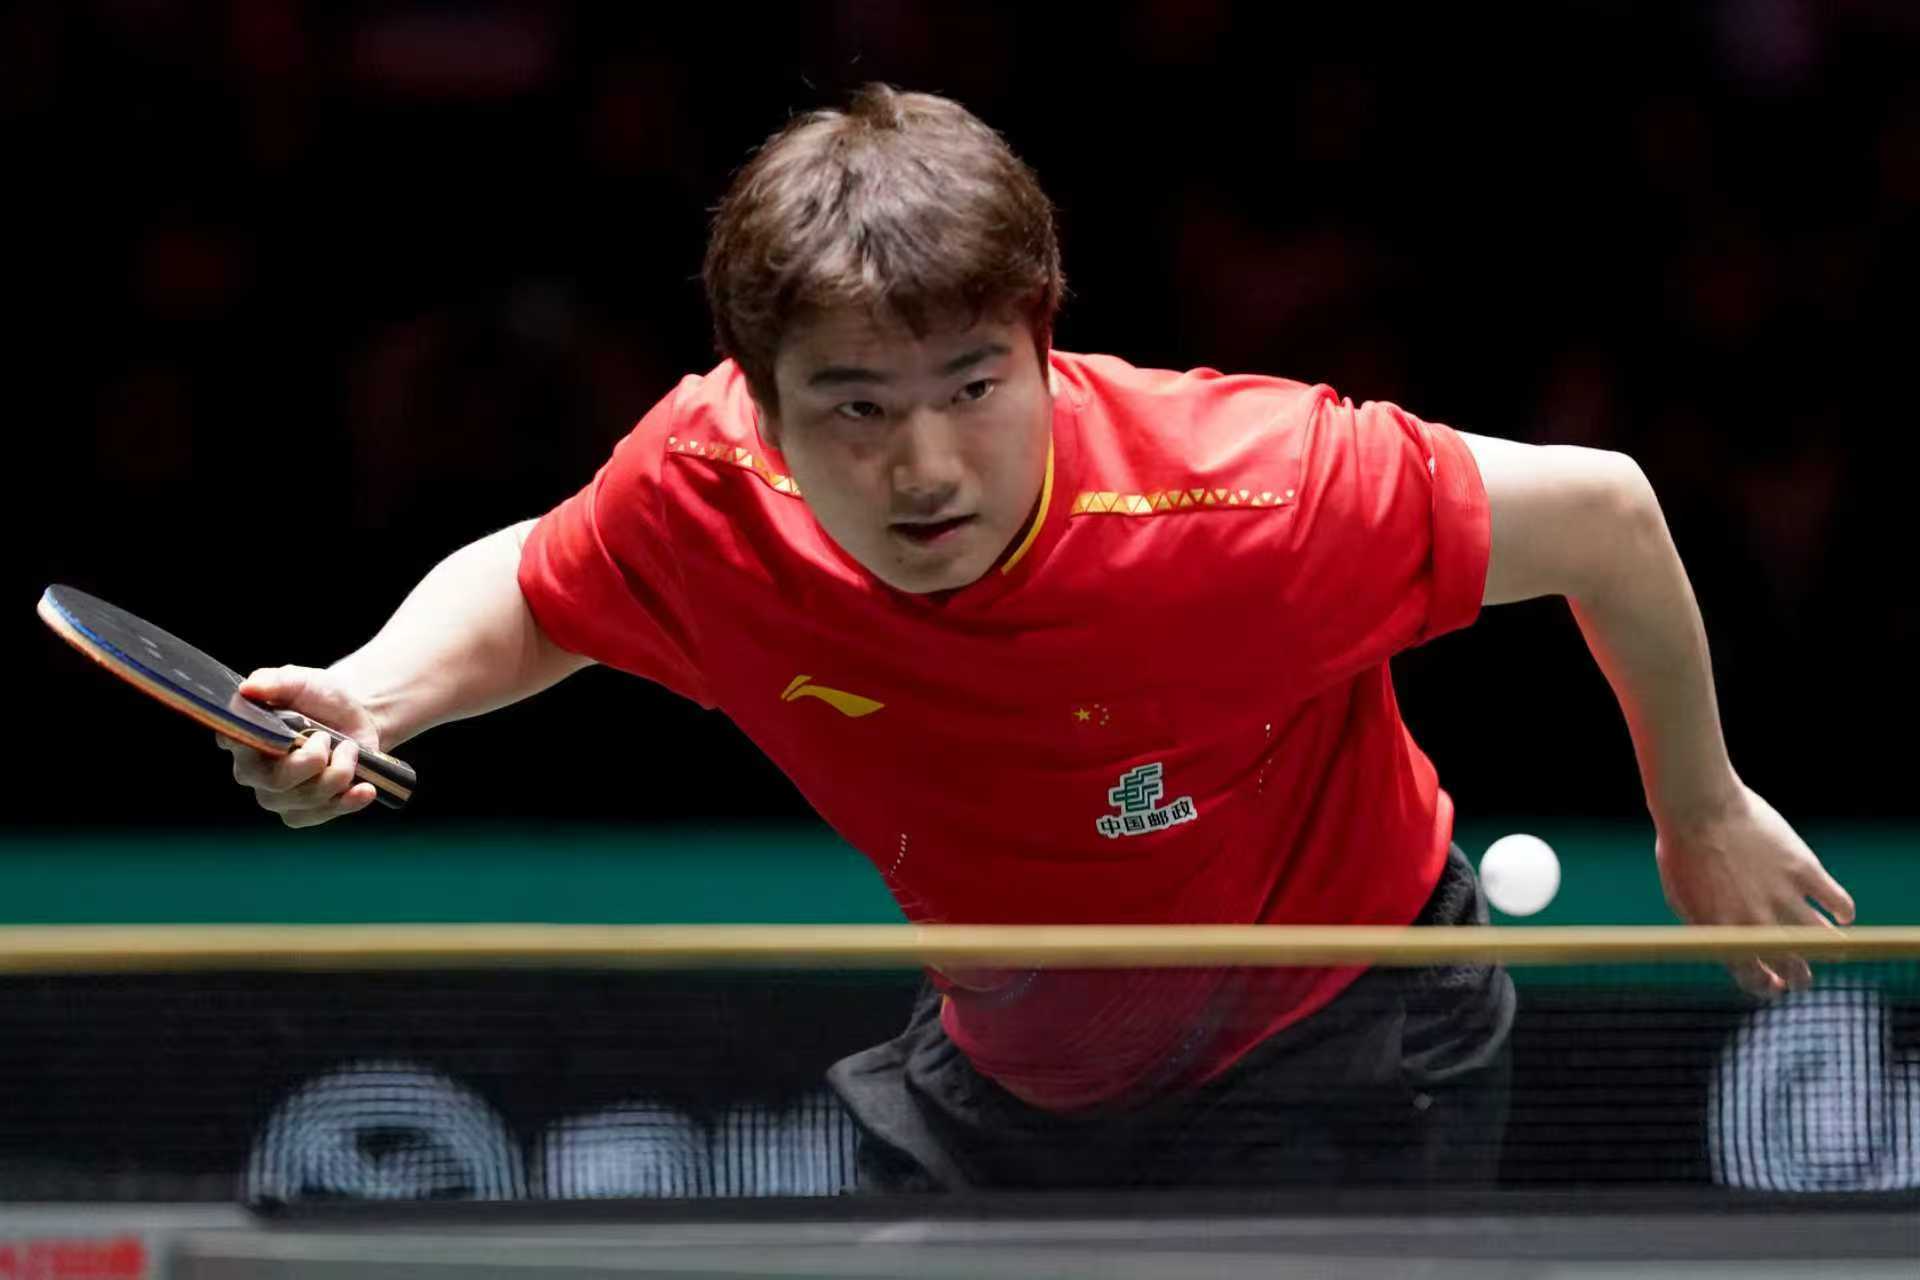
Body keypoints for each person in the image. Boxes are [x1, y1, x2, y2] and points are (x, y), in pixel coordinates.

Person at [222, 85, 1855, 1191]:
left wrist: (1698, 804)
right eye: (856, 409)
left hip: (1343, 1033)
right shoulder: (707, 491)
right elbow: (540, 583)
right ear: (761, 403)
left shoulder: (1248, 494)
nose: (925, 466)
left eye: (971, 387)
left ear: (1043, 340)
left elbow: (1604, 514)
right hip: (1015, 1068)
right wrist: (372, 695)